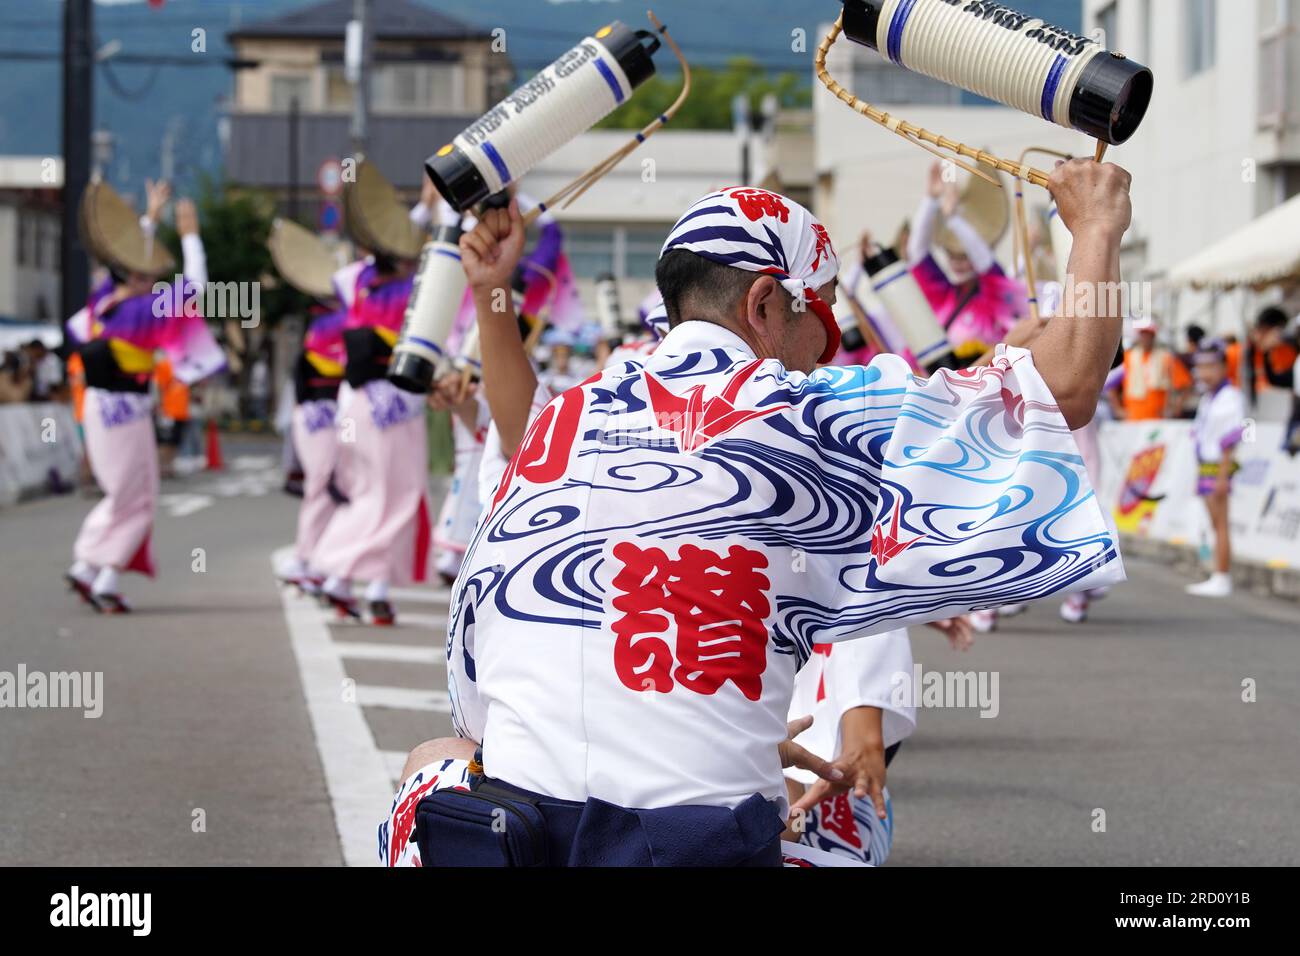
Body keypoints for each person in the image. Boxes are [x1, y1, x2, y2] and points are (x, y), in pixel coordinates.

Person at [390, 159, 1129, 867]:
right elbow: (1064, 389)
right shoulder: (806, 417)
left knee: (436, 760)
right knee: (852, 809)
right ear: (766, 304)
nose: (825, 351)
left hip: (514, 844)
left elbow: (483, 706)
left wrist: (493, 294)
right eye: (825, 318)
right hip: (695, 852)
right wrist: (1095, 228)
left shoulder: (569, 422)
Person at [63, 178, 224, 612]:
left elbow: (127, 259)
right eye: (148, 271)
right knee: (135, 496)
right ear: (134, 274)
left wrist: (150, 219)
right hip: (128, 410)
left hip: (99, 407)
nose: (154, 275)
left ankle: (97, 572)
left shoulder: (103, 303)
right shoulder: (144, 309)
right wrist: (190, 236)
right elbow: (197, 286)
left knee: (124, 491)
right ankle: (97, 570)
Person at [313, 160, 430, 625]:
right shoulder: (415, 288)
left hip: (354, 400)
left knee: (373, 493)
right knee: (398, 496)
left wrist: (419, 211)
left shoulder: (353, 283)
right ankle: (338, 573)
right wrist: (423, 215)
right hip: (393, 401)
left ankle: (368, 587)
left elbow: (389, 245)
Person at [907, 161, 1026, 367]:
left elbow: (985, 263)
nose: (957, 264)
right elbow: (916, 254)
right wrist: (931, 200)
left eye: (964, 257)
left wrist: (954, 221)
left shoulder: (993, 295)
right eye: (952, 256)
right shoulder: (943, 296)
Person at [1186, 342, 1247, 598]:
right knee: (1215, 523)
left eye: (1210, 366)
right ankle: (1218, 574)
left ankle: (1222, 576)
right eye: (1200, 367)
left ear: (1223, 367)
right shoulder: (1209, 397)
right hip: (1207, 465)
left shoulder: (1230, 397)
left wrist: (1223, 475)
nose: (1204, 372)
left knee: (1220, 523)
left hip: (1218, 467)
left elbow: (1231, 438)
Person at [1105, 317, 1192, 420]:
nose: (1145, 337)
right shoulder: (1128, 358)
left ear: (1154, 335)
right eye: (1143, 334)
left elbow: (1186, 385)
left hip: (1158, 420)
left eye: (1148, 334)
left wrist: (1176, 408)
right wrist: (1118, 410)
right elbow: (1110, 385)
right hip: (1133, 419)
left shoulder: (1166, 358)